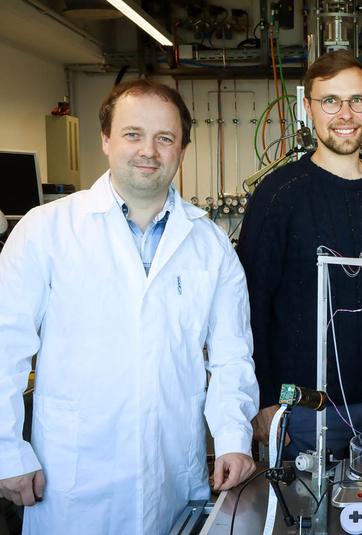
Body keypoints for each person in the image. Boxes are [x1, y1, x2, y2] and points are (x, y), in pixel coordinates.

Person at [0, 79, 259, 535]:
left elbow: (231, 356)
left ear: (182, 150)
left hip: (172, 473)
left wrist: (234, 441)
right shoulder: (46, 231)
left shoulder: (211, 245)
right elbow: (6, 347)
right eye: (133, 134)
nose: (149, 151)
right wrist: (6, 450)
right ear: (105, 140)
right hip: (75, 476)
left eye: (165, 138)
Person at [237, 51, 362, 459]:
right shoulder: (278, 194)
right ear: (307, 107)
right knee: (307, 519)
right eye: (330, 101)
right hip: (304, 411)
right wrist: (264, 398)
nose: (346, 113)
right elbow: (250, 305)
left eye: (357, 100)